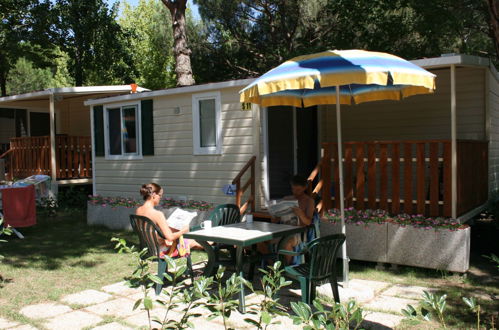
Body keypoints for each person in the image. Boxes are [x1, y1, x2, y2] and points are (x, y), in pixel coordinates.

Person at [259, 175, 315, 264]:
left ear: (305, 188)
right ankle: (272, 268)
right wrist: (275, 215)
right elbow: (276, 220)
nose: (295, 192)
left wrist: (300, 214)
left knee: (286, 243)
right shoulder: (287, 199)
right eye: (293, 189)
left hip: (298, 232)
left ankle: (287, 270)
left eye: (298, 190)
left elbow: (308, 222)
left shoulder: (309, 201)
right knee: (260, 242)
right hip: (282, 230)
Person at [135, 183, 201, 258]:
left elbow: (149, 231)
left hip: (148, 248)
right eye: (160, 195)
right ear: (153, 194)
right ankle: (211, 246)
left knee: (186, 239)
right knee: (189, 241)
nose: (160, 198)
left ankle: (210, 244)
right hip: (159, 251)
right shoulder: (157, 214)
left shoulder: (138, 210)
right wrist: (184, 230)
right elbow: (170, 237)